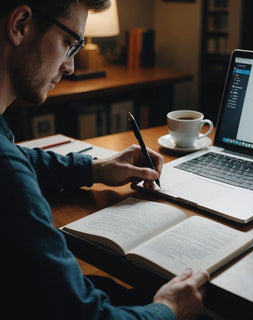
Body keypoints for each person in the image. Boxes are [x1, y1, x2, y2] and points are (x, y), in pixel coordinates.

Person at [0, 0, 210, 319]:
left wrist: (96, 168)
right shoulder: (8, 172)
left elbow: (16, 157)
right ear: (20, 25)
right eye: (69, 43)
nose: (70, 67)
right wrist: (170, 310)